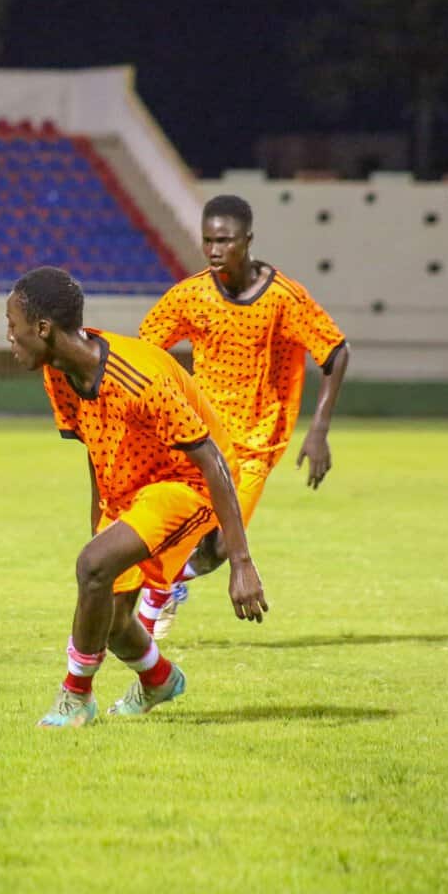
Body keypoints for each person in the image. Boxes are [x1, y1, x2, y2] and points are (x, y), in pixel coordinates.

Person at [6, 267, 267, 728]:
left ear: (43, 329)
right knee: (111, 620)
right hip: (130, 485)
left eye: (14, 326)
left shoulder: (139, 378)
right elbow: (94, 446)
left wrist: (242, 563)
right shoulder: (58, 374)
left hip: (187, 483)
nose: (9, 337)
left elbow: (212, 461)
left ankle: (75, 697)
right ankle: (160, 680)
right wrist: (100, 524)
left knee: (91, 567)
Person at [135, 194, 348, 639]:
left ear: (247, 240)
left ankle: (165, 589)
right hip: (198, 436)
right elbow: (145, 349)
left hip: (256, 445)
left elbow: (335, 351)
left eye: (225, 241)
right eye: (208, 240)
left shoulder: (284, 298)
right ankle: (149, 613)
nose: (214, 250)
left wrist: (320, 430)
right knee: (168, 528)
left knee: (217, 550)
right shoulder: (191, 294)